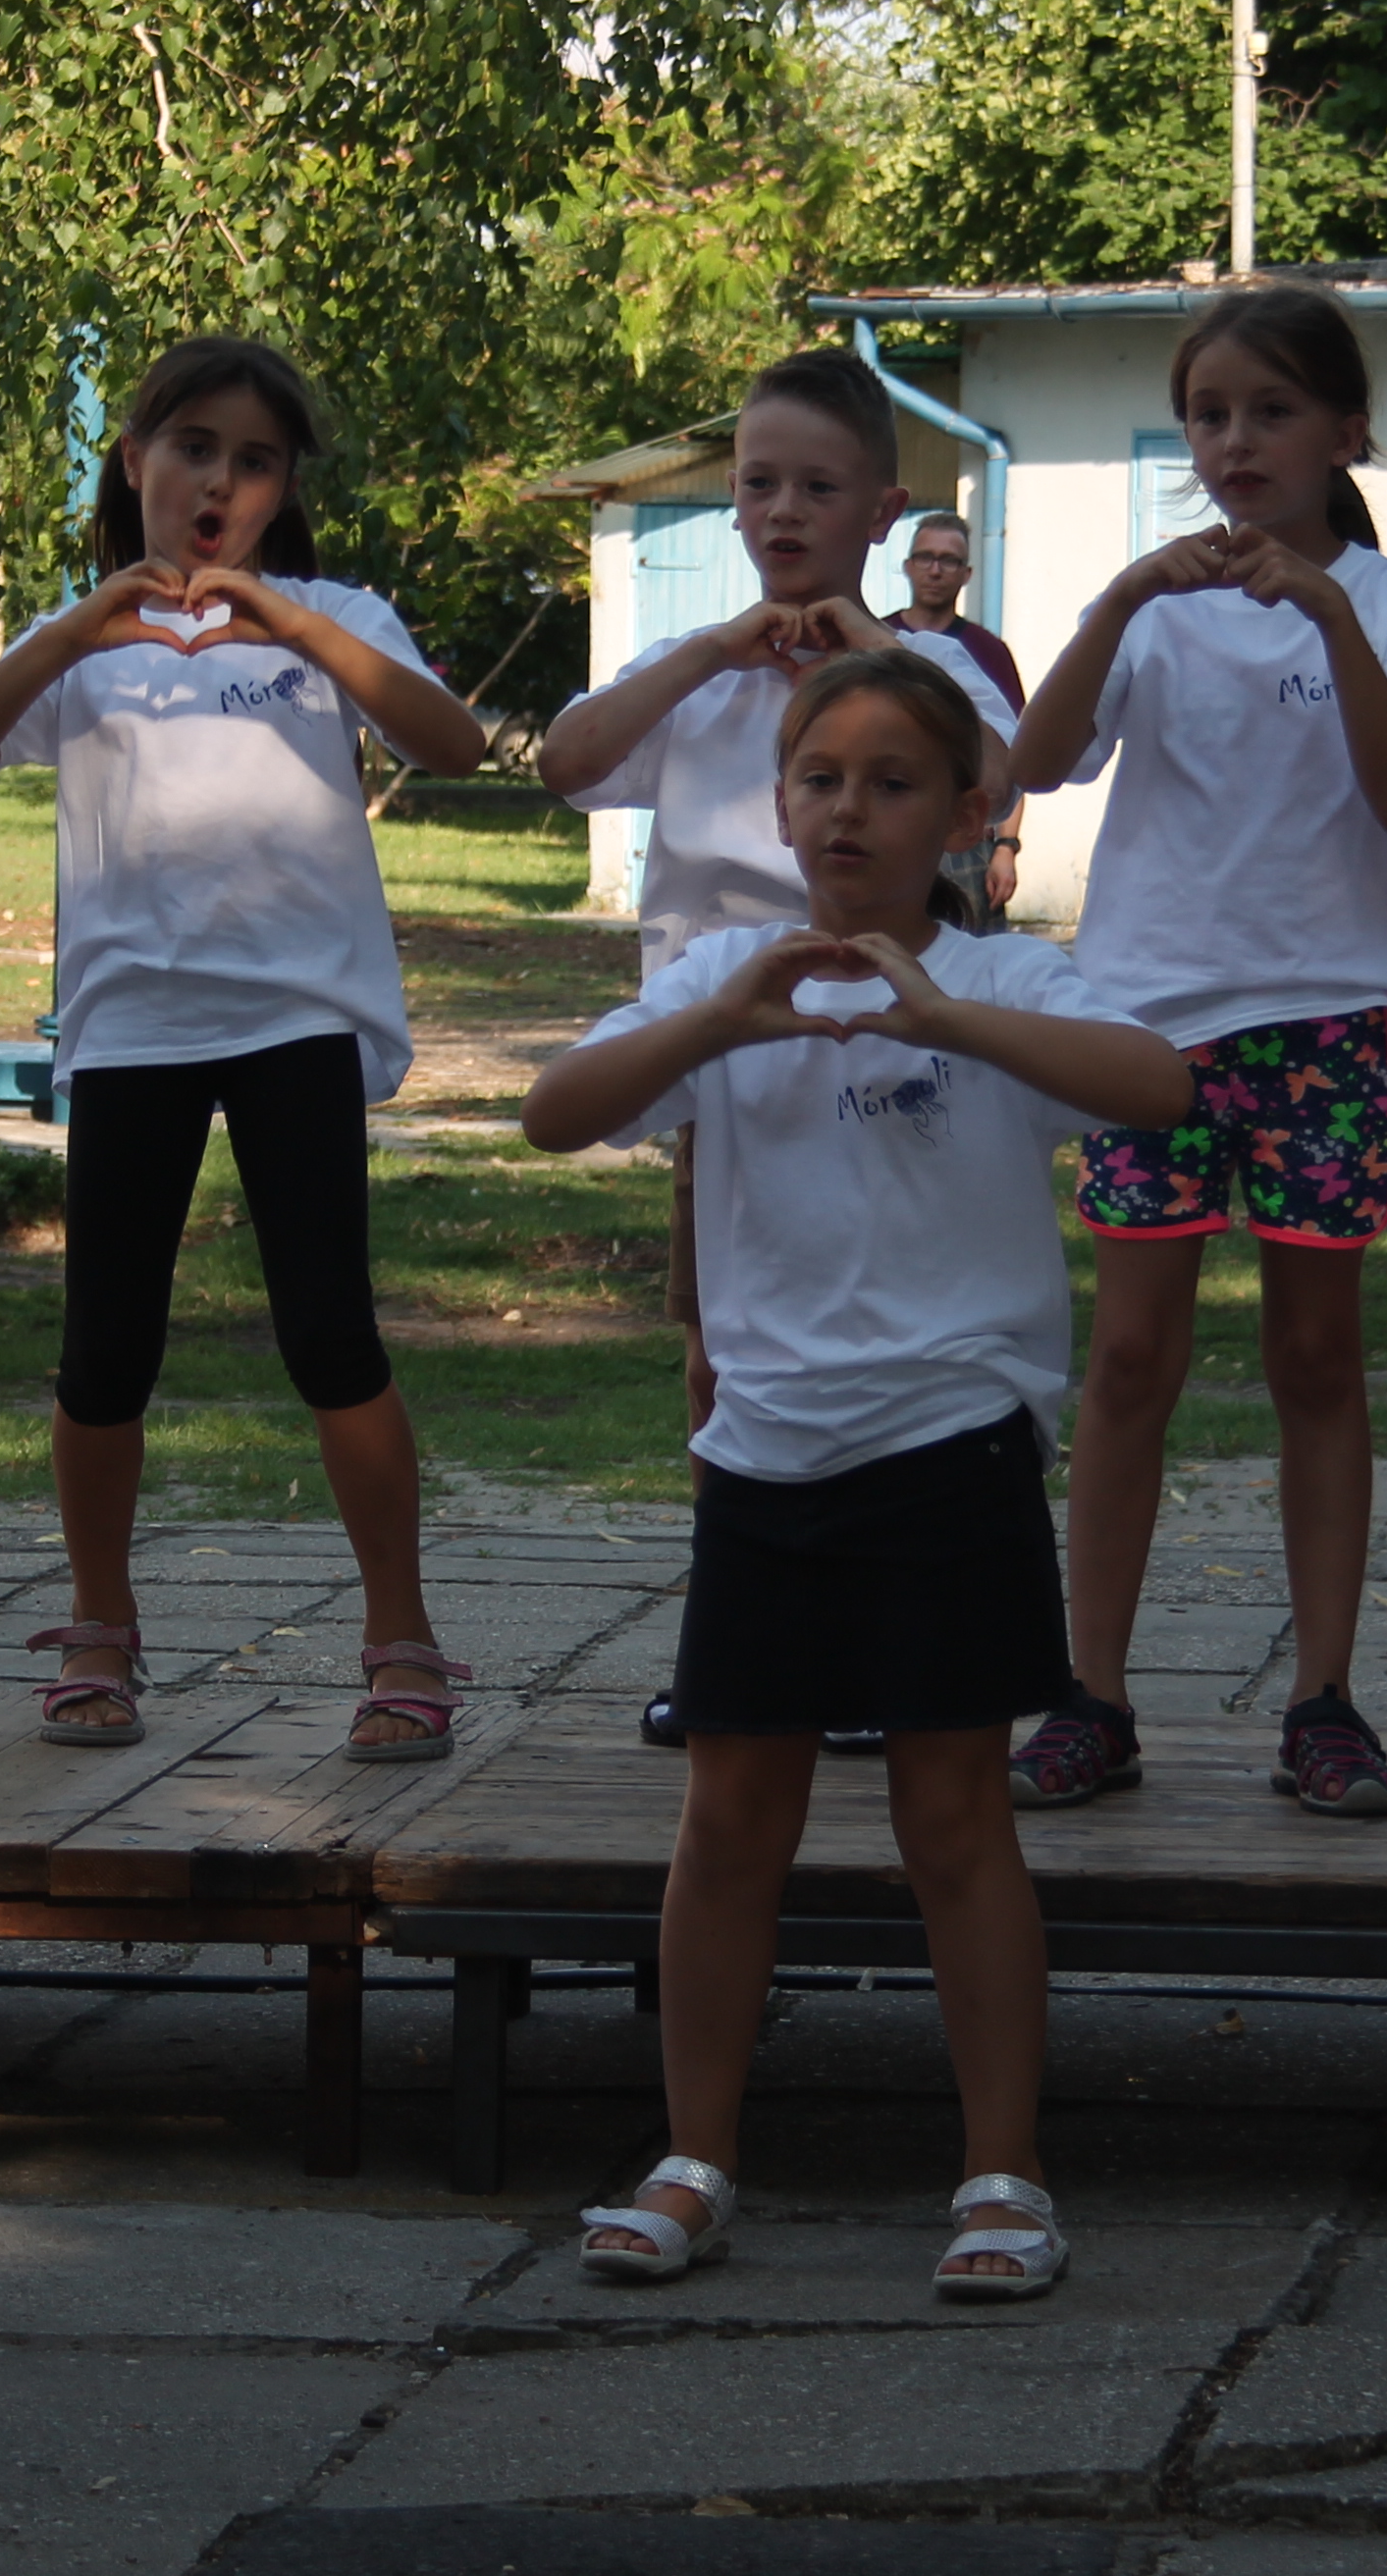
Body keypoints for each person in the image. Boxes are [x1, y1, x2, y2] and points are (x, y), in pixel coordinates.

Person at [520, 649, 1190, 2298]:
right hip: (765, 1455)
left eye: (893, 783)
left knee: (953, 1818)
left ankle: (1003, 2171)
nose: (849, 810)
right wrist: (718, 1016)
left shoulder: (1007, 976)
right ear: (777, 804)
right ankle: (693, 2157)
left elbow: (1160, 1086)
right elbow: (554, 1112)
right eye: (820, 778)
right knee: (728, 1820)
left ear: (966, 813)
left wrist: (947, 1016)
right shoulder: (727, 972)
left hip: (952, 1446)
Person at [0, 337, 489, 1756]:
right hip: (134, 1028)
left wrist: (288, 623)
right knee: (105, 1350)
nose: (222, 484)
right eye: (196, 449)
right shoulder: (82, 640)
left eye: (256, 461)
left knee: (330, 1334)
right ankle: (99, 1626)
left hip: (296, 1019)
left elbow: (453, 742)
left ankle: (401, 1636)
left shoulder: (334, 616)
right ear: (135, 460)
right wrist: (70, 635)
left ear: (286, 490)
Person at [999, 286, 1387, 1820]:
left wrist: (1327, 613)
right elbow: (1033, 764)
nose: (1236, 441)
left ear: (1345, 433)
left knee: (1315, 1360)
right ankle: (1092, 1696)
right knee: (1131, 1360)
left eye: (1272, 411)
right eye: (1209, 416)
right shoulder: (1155, 608)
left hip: (1327, 1022)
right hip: (1149, 1026)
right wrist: (1116, 602)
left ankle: (1323, 1700)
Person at [536, 349, 1017, 1748]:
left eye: (818, 486)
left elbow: (999, 778)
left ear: (884, 510)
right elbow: (566, 762)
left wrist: (866, 645)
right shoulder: (698, 666)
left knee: (884, 1361)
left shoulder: (921, 666)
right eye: (759, 485)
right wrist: (712, 652)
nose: (785, 511)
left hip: (896, 1047)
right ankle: (740, 1646)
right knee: (722, 1361)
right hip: (726, 1058)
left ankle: (874, 1658)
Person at [891, 508, 1030, 932]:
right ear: (908, 566)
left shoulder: (988, 653)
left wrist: (1005, 847)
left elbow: (1016, 757)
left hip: (966, 841)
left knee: (972, 959)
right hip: (891, 833)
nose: (935, 570)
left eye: (948, 560)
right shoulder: (877, 639)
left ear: (966, 573)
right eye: (925, 557)